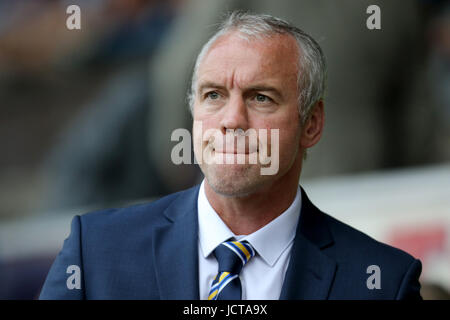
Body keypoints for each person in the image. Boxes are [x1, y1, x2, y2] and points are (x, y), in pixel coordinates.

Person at [39, 11, 422, 300]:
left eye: (260, 97)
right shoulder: (95, 254)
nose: (232, 121)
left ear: (311, 124)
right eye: (213, 95)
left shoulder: (383, 283)